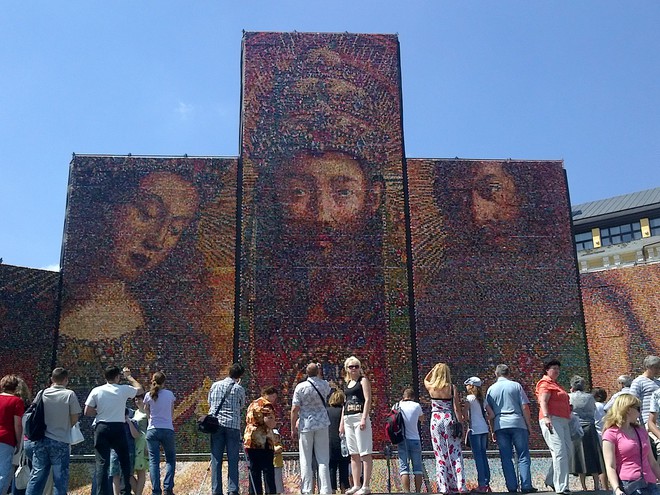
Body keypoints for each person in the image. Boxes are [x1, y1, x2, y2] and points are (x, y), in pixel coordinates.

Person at [84, 366, 143, 495]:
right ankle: (125, 491)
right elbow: (140, 389)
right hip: (118, 427)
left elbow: (87, 411)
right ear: (117, 377)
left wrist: (99, 412)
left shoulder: (96, 390)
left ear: (105, 377)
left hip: (102, 427)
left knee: (102, 463)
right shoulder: (123, 389)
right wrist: (129, 377)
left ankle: (101, 492)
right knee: (124, 461)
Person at [25, 368, 81, 495]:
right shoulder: (69, 394)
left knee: (37, 476)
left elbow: (33, 412)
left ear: (52, 379)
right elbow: (74, 417)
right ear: (66, 380)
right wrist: (65, 426)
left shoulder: (42, 393)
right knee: (60, 478)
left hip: (41, 439)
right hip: (60, 440)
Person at [485, 364, 536, 494]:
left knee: (506, 457)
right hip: (518, 422)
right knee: (523, 455)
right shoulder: (516, 386)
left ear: (496, 374)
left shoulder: (491, 389)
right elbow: (525, 407)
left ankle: (512, 487)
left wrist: (492, 430)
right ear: (509, 373)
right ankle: (526, 485)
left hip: (500, 424)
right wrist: (528, 425)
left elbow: (489, 412)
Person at [602, 394, 660, 495]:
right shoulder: (611, 434)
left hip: (649, 483)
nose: (640, 412)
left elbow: (652, 462)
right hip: (629, 484)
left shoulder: (641, 431)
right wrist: (616, 489)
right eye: (638, 408)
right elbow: (610, 466)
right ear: (628, 409)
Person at [424, 363, 466, 494]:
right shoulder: (452, 388)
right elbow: (456, 408)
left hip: (436, 420)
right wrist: (461, 424)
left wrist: (433, 370)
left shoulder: (431, 387)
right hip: (449, 418)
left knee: (440, 453)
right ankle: (460, 485)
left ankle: (443, 487)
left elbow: (425, 379)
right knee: (455, 452)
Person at [291, 362, 332, 495]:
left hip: (306, 424)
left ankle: (307, 489)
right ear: (318, 371)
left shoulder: (300, 387)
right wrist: (319, 372)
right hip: (322, 423)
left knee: (305, 459)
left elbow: (295, 409)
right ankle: (325, 489)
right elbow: (327, 391)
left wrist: (293, 427)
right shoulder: (324, 384)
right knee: (323, 458)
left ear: (306, 372)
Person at [208, 363, 246, 495]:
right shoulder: (239, 389)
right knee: (233, 459)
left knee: (216, 459)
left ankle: (216, 490)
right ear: (240, 376)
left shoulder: (215, 385)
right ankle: (232, 489)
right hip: (232, 426)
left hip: (216, 425)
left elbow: (210, 403)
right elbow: (241, 405)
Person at [536, 359, 572, 495]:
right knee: (559, 451)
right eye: (554, 368)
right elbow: (543, 401)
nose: (557, 371)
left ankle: (551, 479)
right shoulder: (545, 383)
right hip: (552, 420)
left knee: (567, 451)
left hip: (563, 420)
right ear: (547, 370)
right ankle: (561, 487)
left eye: (558, 368)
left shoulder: (556, 384)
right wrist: (546, 417)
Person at [340, 357, 373, 495]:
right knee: (353, 453)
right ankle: (356, 484)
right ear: (347, 369)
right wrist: (342, 423)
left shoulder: (363, 380)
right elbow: (345, 403)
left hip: (359, 417)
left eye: (356, 366)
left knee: (364, 452)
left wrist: (364, 418)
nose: (354, 369)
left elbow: (368, 399)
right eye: (351, 367)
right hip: (348, 418)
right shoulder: (347, 383)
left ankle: (366, 485)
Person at [143, 372, 176, 495]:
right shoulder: (169, 394)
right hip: (167, 428)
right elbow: (171, 411)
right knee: (170, 459)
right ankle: (168, 488)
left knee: (154, 461)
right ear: (164, 382)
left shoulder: (148, 395)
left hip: (152, 429)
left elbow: (146, 410)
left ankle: (156, 490)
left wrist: (150, 419)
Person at [568, 375, 603, 490]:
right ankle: (596, 485)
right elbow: (593, 410)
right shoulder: (590, 397)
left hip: (576, 428)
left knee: (579, 456)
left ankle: (584, 487)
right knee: (593, 455)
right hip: (590, 428)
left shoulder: (569, 397)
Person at [244, 386, 278, 495]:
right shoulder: (266, 405)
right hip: (263, 440)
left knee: (254, 469)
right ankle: (270, 492)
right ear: (270, 395)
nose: (274, 400)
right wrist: (274, 424)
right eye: (274, 397)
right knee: (268, 469)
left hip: (250, 439)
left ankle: (254, 492)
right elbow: (269, 422)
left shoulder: (252, 404)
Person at [463, 377, 491, 493]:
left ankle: (481, 484)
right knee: (483, 456)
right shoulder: (482, 399)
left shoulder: (469, 398)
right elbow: (492, 414)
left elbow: (464, 414)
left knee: (478, 457)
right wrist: (483, 419)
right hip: (484, 429)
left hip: (474, 430)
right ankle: (486, 483)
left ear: (471, 386)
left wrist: (467, 420)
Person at [0, 375, 25, 495]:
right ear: (16, 387)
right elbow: (17, 424)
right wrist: (19, 442)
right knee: (3, 471)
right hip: (6, 438)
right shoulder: (17, 401)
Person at [397, 387, 424, 493]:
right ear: (413, 397)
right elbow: (422, 419)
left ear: (404, 396)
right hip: (415, 439)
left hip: (402, 439)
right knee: (417, 468)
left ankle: (407, 492)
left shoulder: (398, 405)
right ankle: (418, 492)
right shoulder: (416, 406)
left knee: (404, 468)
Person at [327, 389, 350, 494]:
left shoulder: (327, 411)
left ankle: (332, 490)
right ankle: (344, 489)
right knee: (344, 468)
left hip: (330, 443)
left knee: (331, 467)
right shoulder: (344, 411)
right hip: (343, 443)